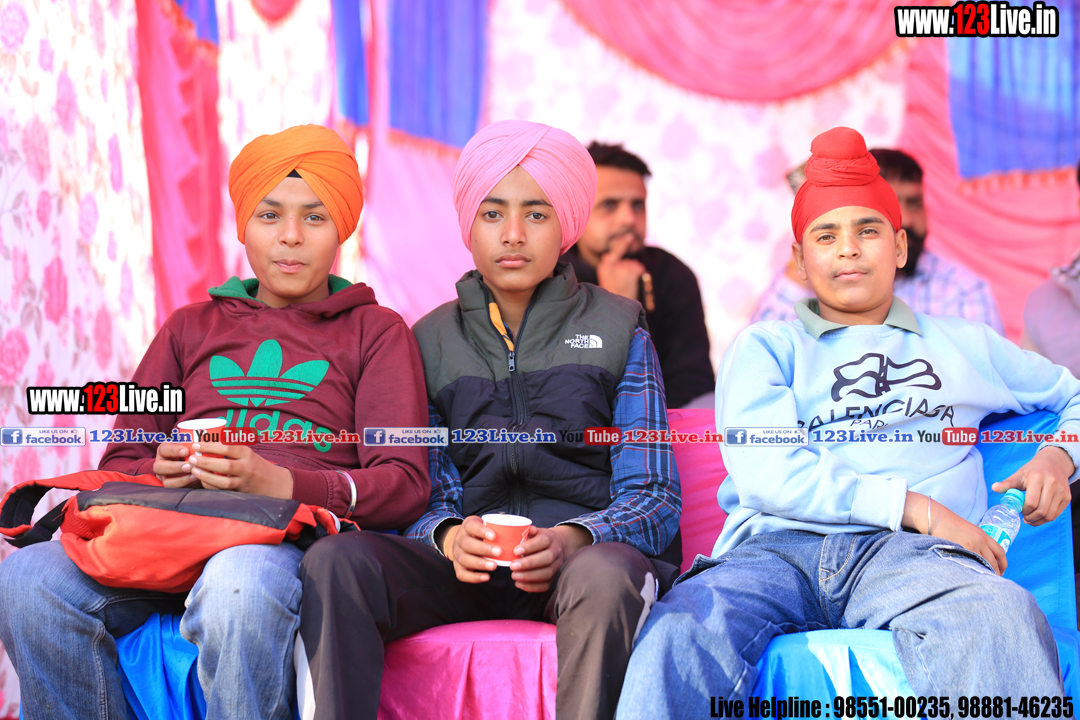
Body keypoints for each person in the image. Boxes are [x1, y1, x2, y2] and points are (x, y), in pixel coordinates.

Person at [617, 127, 1079, 716]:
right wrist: (921, 508)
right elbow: (770, 472)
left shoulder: (965, 344)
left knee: (1003, 616)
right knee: (677, 634)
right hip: (774, 553)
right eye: (826, 235)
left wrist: (1058, 456)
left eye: (868, 230)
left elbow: (1073, 397)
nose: (848, 249)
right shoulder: (767, 348)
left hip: (916, 558)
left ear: (900, 246)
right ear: (800, 260)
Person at [0, 125, 430, 720]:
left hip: (276, 541)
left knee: (239, 588)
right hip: (167, 528)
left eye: (314, 217)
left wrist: (283, 484)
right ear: (242, 225)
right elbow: (123, 456)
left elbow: (405, 481)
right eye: (269, 215)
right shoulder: (189, 327)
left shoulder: (377, 332)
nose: (290, 236)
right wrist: (161, 468)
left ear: (342, 229)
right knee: (29, 580)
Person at [298, 120, 683, 720]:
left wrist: (573, 538)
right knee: (336, 561)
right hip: (461, 568)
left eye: (536, 214)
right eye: (492, 213)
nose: (513, 235)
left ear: (566, 225)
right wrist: (449, 536)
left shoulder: (619, 328)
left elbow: (654, 496)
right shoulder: (424, 341)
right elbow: (415, 486)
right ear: (468, 227)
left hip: (580, 565)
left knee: (609, 577)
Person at [753, 147, 1004, 333]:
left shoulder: (961, 290)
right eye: (892, 207)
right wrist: (811, 254)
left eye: (914, 203)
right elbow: (761, 361)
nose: (905, 218)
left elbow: (979, 377)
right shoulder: (823, 275)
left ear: (900, 246)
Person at [561, 142, 714, 409]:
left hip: (663, 420)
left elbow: (693, 384)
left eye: (637, 205)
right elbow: (564, 391)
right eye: (610, 205)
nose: (629, 219)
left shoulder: (672, 274)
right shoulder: (550, 276)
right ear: (576, 212)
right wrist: (615, 307)